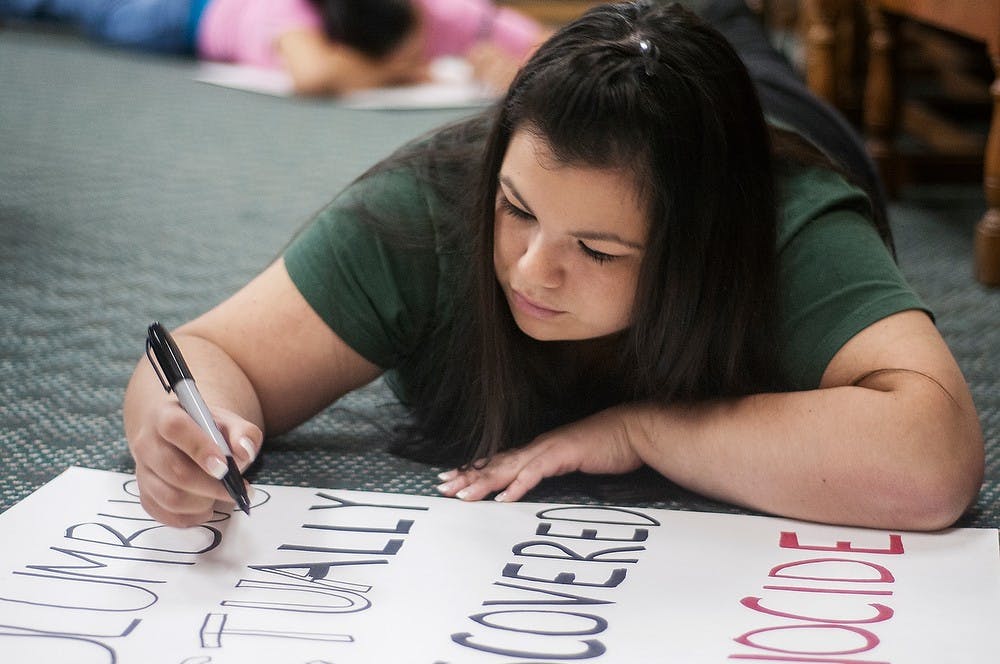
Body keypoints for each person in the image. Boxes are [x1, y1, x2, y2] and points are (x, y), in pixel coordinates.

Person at [121, 0, 984, 531]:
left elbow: (931, 466)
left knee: (738, 56)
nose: (531, 270)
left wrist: (641, 430)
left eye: (598, 250)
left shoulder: (790, 227)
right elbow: (207, 354)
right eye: (518, 211)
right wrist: (187, 429)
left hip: (779, 126)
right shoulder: (426, 213)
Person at [0, 0, 548, 94]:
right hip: (178, 18)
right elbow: (313, 77)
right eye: (401, 55)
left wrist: (518, 67)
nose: (424, 51)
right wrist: (412, 77)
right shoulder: (301, 12)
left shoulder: (437, 12)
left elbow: (547, 41)